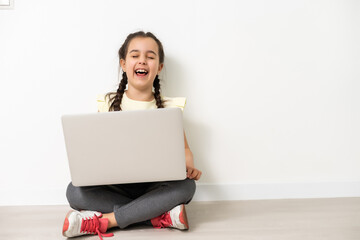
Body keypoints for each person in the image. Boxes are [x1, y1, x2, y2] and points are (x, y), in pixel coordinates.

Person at [62, 31, 202, 239]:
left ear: (159, 67)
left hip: (155, 187)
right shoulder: (107, 103)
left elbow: (184, 150)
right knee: (74, 191)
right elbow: (98, 151)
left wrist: (189, 165)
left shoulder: (171, 107)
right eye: (135, 55)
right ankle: (156, 216)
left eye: (150, 56)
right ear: (123, 63)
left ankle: (107, 220)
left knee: (187, 187)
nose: (142, 61)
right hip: (117, 186)